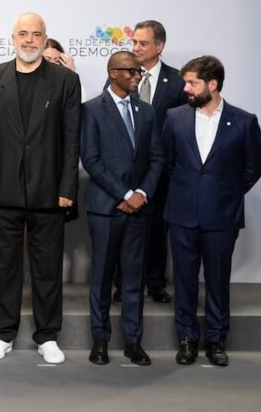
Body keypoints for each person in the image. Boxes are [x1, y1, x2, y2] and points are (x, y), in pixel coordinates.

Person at [0, 12, 81, 365]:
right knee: (4, 266)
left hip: (49, 191)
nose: (29, 40)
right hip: (2, 189)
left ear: (45, 38)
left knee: (47, 268)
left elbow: (72, 139)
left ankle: (47, 336)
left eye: (36, 34)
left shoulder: (65, 81)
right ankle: (3, 332)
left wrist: (67, 187)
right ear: (13, 37)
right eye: (23, 33)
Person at [164, 55, 261, 367]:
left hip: (222, 216)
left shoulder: (244, 121)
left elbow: (253, 169)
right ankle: (187, 339)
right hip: (182, 214)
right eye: (185, 82)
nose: (185, 88)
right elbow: (167, 162)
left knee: (218, 280)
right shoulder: (174, 117)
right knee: (183, 280)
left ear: (213, 84)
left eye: (192, 83)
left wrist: (224, 194)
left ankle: (217, 339)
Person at [80, 51, 163, 366]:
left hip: (138, 209)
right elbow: (91, 160)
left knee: (133, 279)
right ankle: (100, 340)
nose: (137, 76)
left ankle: (133, 342)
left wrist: (141, 193)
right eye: (130, 71)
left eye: (138, 71)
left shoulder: (147, 111)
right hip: (105, 208)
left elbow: (157, 157)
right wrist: (125, 193)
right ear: (113, 73)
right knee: (101, 278)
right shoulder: (91, 110)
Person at [126, 20, 187, 304]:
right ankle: (124, 283)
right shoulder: (123, 74)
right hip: (127, 169)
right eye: (134, 42)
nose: (136, 48)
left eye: (143, 43)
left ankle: (155, 282)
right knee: (126, 229)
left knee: (158, 229)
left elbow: (184, 126)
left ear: (159, 46)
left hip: (162, 170)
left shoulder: (177, 81)